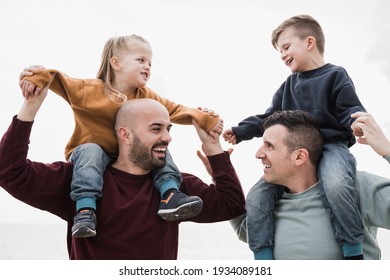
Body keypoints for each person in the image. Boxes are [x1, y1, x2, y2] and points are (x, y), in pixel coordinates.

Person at [0, 88, 246, 259]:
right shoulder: (80, 179)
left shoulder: (173, 191)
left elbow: (232, 205)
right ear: (125, 135)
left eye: (169, 129)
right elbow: (9, 172)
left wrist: (214, 148)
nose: (168, 137)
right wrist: (30, 107)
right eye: (156, 129)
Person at [19, 34, 223, 238]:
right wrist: (36, 76)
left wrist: (204, 117)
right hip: (87, 155)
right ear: (116, 63)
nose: (148, 67)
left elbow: (176, 110)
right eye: (141, 60)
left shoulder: (146, 95)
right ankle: (85, 211)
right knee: (92, 151)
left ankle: (170, 194)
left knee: (160, 144)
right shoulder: (87, 90)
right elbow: (57, 79)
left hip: (126, 157)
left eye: (150, 62)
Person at [222, 14, 366, 259]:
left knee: (336, 184)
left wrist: (358, 123)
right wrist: (240, 131)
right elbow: (269, 119)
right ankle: (263, 256)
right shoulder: (288, 86)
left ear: (309, 42)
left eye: (286, 47)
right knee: (258, 195)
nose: (282, 55)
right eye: (279, 51)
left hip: (331, 147)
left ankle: (352, 249)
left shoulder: (335, 76)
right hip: (293, 155)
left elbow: (349, 109)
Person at [228, 110, 390, 259]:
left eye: (269, 146)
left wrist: (387, 150)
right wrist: (215, 155)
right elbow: (242, 226)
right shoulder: (265, 204)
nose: (258, 154)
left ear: (299, 156)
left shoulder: (356, 188)